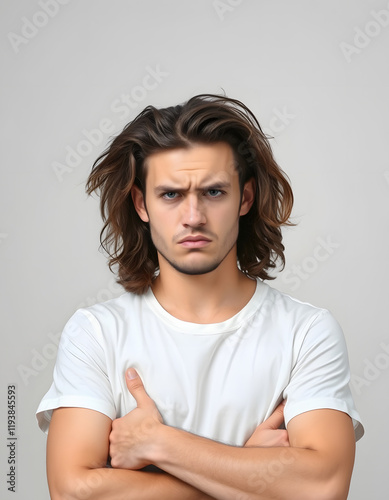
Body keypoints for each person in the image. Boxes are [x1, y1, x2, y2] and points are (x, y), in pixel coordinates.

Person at [36, 94, 363, 500]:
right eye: (171, 195)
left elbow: (323, 487)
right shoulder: (96, 333)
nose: (193, 216)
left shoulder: (306, 332)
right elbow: (72, 492)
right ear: (142, 204)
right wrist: (245, 472)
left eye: (213, 192)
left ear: (244, 199)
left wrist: (160, 444)